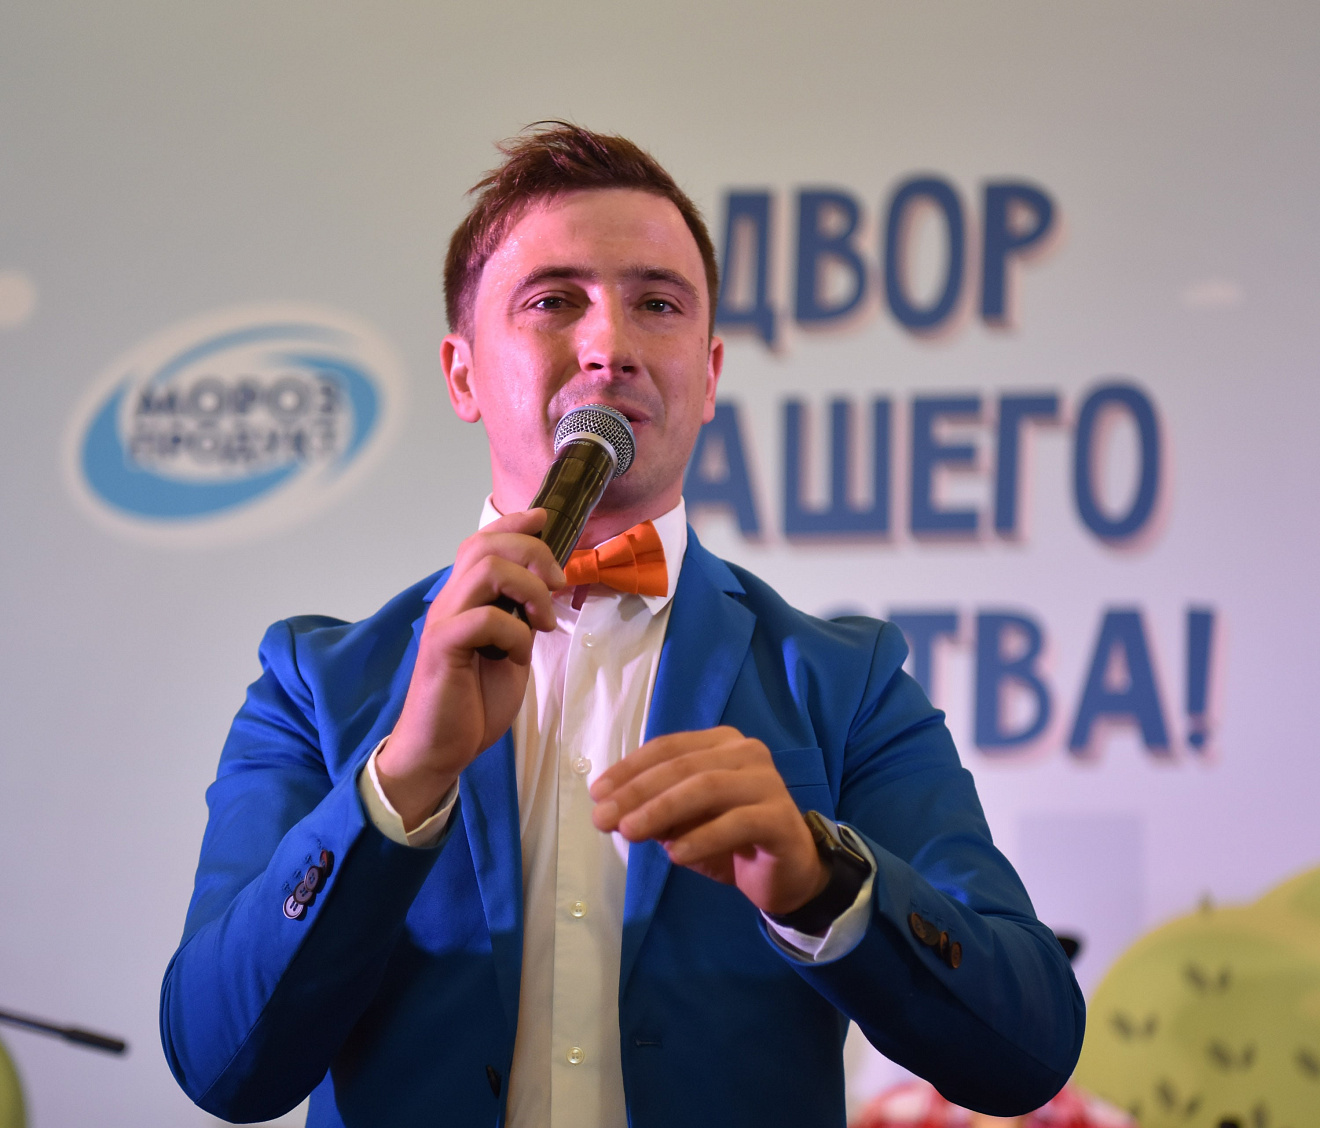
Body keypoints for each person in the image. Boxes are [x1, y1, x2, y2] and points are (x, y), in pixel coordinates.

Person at [160, 123, 1084, 1128]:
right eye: (553, 301)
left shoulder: (846, 682)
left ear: (710, 373)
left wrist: (822, 878)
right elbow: (219, 1062)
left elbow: (1026, 1051)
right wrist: (402, 779)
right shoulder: (315, 683)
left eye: (658, 304)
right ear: (463, 375)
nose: (610, 348)